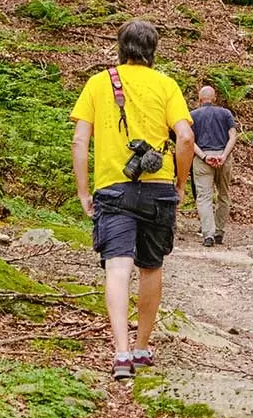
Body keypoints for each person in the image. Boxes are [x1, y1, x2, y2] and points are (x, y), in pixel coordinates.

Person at [70, 20, 194, 380]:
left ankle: (121, 352)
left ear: (119, 47)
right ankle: (142, 347)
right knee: (151, 266)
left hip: (112, 188)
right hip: (158, 188)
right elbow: (185, 138)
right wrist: (180, 183)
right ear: (153, 50)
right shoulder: (166, 85)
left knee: (117, 267)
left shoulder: (98, 83)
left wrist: (82, 191)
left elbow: (80, 141)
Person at [190, 86, 237, 247]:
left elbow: (190, 141)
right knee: (223, 195)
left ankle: (208, 234)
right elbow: (233, 136)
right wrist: (224, 155)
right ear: (214, 98)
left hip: (203, 158)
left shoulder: (193, 116)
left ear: (199, 98)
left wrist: (204, 156)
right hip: (223, 157)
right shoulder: (225, 113)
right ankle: (219, 231)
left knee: (204, 197)